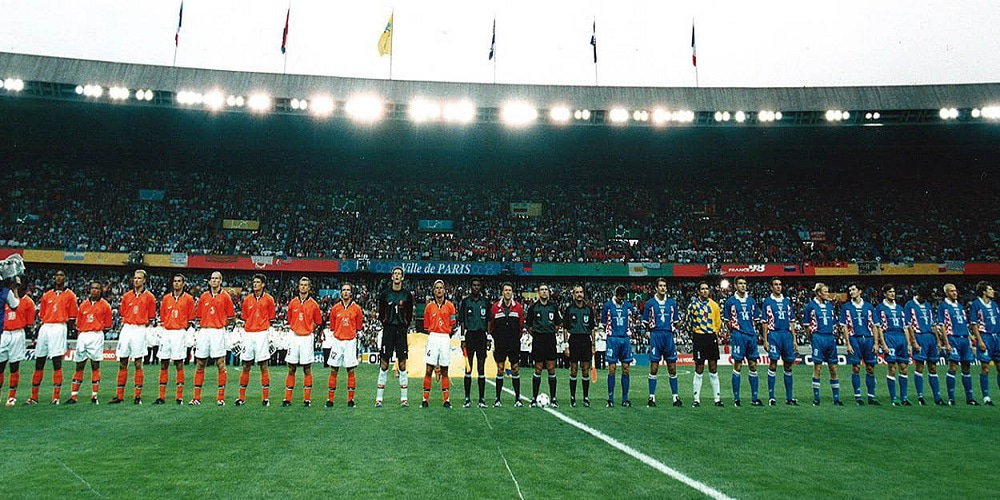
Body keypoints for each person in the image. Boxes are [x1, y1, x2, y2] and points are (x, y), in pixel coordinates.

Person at [110, 270, 156, 404]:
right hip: (127, 328)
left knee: (138, 362)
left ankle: (137, 396)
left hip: (139, 329)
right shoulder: (126, 296)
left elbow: (151, 317)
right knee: (122, 361)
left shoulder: (150, 297)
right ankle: (119, 396)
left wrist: (140, 322)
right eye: (135, 278)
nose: (136, 280)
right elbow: (123, 313)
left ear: (144, 280)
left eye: (139, 278)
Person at [32, 270, 77, 405]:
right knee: (39, 360)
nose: (58, 277)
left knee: (56, 361)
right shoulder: (47, 295)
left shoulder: (70, 295)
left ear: (65, 278)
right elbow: (42, 314)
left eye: (61, 275)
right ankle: (34, 397)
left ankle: (56, 397)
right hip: (46, 326)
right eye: (57, 275)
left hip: (59, 326)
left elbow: (72, 317)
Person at [191, 271, 236, 405]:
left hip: (218, 331)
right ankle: (196, 398)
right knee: (200, 363)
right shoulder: (204, 296)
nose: (214, 280)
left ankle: (220, 398)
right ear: (210, 281)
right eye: (212, 278)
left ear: (221, 281)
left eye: (217, 278)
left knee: (220, 363)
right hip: (204, 331)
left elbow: (231, 317)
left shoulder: (226, 297)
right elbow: (198, 316)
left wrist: (220, 324)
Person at [67, 281, 112, 404]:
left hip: (96, 335)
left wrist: (96, 329)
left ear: (101, 291)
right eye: (92, 288)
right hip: (83, 335)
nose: (94, 290)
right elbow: (78, 323)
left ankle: (94, 396)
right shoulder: (83, 305)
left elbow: (108, 326)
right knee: (79, 365)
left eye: (97, 288)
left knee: (95, 365)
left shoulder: (105, 306)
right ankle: (73, 396)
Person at [376, 267, 414, 408]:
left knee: (402, 364)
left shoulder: (407, 295)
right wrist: (386, 322)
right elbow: (381, 313)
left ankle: (404, 398)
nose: (397, 276)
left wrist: (404, 324)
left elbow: (409, 314)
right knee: (384, 364)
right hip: (388, 330)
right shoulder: (385, 294)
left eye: (399, 274)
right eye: (395, 274)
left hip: (401, 331)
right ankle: (379, 398)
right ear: (392, 277)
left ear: (402, 277)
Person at [722, 277, 763, 406]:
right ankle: (736, 399)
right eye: (740, 283)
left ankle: (754, 398)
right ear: (735, 286)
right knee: (738, 365)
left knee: (753, 365)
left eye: (744, 283)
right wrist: (736, 331)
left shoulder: (751, 301)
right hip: (738, 336)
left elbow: (755, 319)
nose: (743, 285)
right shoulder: (730, 302)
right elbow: (727, 321)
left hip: (751, 336)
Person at [284, 277, 323, 407]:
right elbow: (289, 319)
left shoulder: (314, 304)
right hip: (294, 337)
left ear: (309, 288)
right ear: (298, 287)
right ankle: (287, 399)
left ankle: (307, 400)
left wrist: (309, 328)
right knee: (291, 368)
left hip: (307, 338)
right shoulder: (293, 303)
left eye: (305, 285)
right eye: (301, 285)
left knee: (307, 368)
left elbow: (318, 321)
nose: (303, 287)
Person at [156, 274, 195, 405]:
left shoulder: (189, 299)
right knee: (164, 363)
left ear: (183, 283)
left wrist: (181, 328)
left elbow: (190, 319)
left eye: (179, 281)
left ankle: (179, 396)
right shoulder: (166, 298)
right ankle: (161, 396)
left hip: (179, 333)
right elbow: (162, 316)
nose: (176, 283)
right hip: (167, 332)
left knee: (179, 363)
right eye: (175, 281)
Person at [238, 274, 276, 407]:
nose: (255, 284)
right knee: (245, 365)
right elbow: (245, 318)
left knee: (263, 365)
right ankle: (241, 398)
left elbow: (271, 318)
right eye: (254, 282)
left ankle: (265, 398)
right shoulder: (247, 299)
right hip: (249, 334)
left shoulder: (269, 299)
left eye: (258, 282)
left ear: (263, 284)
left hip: (262, 334)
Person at [938, 283, 978, 405]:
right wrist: (946, 343)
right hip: (953, 338)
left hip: (964, 339)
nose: (955, 293)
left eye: (955, 290)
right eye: (951, 291)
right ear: (946, 293)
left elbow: (964, 324)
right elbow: (942, 326)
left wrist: (970, 339)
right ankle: (951, 398)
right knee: (953, 367)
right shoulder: (943, 306)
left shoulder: (960, 306)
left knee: (966, 367)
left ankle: (970, 398)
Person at [645, 277, 682, 407]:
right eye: (660, 285)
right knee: (654, 368)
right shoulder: (650, 303)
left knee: (672, 368)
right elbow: (645, 322)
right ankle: (651, 397)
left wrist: (680, 324)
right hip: (656, 335)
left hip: (668, 336)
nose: (663, 288)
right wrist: (648, 332)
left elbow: (676, 322)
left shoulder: (672, 303)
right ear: (656, 288)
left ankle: (675, 397)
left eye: (664, 286)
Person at [761, 278, 798, 406]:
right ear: (771, 287)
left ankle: (789, 398)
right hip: (774, 335)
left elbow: (791, 321)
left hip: (786, 335)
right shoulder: (768, 302)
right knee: (773, 364)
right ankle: (771, 397)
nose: (778, 287)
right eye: (775, 285)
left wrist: (794, 340)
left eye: (780, 284)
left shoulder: (787, 301)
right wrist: (765, 340)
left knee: (788, 365)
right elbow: (765, 322)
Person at [326, 282, 364, 408]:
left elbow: (358, 327)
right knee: (333, 369)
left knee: (350, 370)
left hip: (350, 342)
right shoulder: (335, 308)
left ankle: (350, 400)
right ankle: (330, 400)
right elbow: (332, 327)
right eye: (343, 290)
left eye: (348, 290)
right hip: (337, 341)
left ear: (351, 293)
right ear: (341, 292)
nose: (346, 292)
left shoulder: (357, 309)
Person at [904, 287, 944, 405]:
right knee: (919, 367)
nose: (924, 299)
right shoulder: (909, 305)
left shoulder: (927, 305)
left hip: (931, 337)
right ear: (918, 294)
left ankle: (937, 397)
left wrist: (938, 341)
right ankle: (920, 397)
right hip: (919, 337)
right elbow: (908, 325)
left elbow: (933, 324)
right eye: (922, 297)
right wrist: (914, 342)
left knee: (933, 367)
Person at [840, 283, 878, 405]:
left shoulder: (869, 307)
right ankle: (858, 397)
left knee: (870, 368)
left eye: (853, 289)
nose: (851, 292)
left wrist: (876, 343)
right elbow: (844, 327)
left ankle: (871, 397)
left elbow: (875, 326)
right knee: (856, 367)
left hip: (868, 339)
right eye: (850, 290)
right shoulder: (846, 307)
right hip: (854, 339)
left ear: (860, 291)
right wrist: (848, 344)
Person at [686, 282, 723, 407]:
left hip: (711, 337)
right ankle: (696, 399)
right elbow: (688, 322)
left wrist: (714, 333)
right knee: (699, 368)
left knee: (713, 368)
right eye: (702, 289)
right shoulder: (693, 306)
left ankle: (717, 399)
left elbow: (718, 322)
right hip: (699, 337)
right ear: (698, 291)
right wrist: (695, 334)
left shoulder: (714, 305)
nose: (705, 291)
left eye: (707, 288)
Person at [805, 283, 842, 406]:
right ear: (819, 293)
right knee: (818, 368)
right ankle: (816, 398)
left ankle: (836, 399)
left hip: (830, 338)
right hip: (818, 337)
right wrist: (812, 339)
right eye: (825, 292)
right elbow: (807, 326)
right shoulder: (810, 306)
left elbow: (834, 323)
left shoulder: (830, 306)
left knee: (833, 368)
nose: (827, 294)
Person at [422, 279, 457, 408]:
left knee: (445, 370)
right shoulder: (429, 307)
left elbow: (453, 324)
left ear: (444, 290)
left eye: (441, 288)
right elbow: (426, 326)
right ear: (433, 290)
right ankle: (425, 399)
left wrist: (446, 332)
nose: (439, 290)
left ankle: (446, 400)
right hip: (433, 337)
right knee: (428, 369)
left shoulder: (450, 306)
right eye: (436, 288)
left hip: (445, 338)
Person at [526, 283, 563, 408]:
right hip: (538, 339)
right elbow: (529, 325)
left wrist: (550, 331)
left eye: (546, 289)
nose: (544, 292)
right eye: (541, 290)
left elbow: (558, 323)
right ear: (538, 292)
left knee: (551, 369)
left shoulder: (553, 306)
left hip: (550, 339)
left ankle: (553, 398)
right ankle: (533, 398)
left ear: (548, 292)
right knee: (538, 369)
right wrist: (537, 334)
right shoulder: (533, 308)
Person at [489, 282, 524, 407]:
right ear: (502, 292)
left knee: (515, 369)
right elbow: (491, 327)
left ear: (512, 292)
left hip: (514, 343)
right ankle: (497, 399)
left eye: (509, 290)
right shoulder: (495, 308)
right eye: (506, 290)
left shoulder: (518, 307)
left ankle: (517, 398)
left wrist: (515, 338)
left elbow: (521, 326)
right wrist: (498, 338)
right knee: (500, 369)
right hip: (500, 343)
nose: (508, 292)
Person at [876, 284, 911, 406]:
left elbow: (905, 327)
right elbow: (879, 328)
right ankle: (894, 398)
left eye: (893, 291)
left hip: (901, 338)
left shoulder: (900, 308)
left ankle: (904, 397)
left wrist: (908, 344)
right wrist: (883, 343)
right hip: (889, 337)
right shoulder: (880, 308)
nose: (892, 294)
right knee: (892, 368)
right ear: (885, 294)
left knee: (904, 368)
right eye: (890, 292)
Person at [602, 285, 637, 407]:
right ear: (615, 295)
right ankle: (610, 398)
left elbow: (633, 317)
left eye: (623, 298)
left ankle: (625, 399)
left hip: (625, 339)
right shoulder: (607, 306)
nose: (621, 300)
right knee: (612, 368)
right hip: (613, 339)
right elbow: (603, 322)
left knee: (626, 368)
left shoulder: (628, 306)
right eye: (619, 298)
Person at [458, 277, 490, 408]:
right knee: (468, 367)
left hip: (481, 336)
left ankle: (482, 398)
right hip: (469, 336)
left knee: (481, 367)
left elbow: (488, 321)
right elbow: (462, 321)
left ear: (480, 287)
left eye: (478, 285)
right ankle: (467, 398)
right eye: (474, 285)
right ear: (471, 287)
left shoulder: (485, 302)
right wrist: (462, 339)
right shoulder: (465, 302)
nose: (476, 287)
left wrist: (489, 338)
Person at [563, 285, 596, 407]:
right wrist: (566, 345)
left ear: (583, 294)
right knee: (573, 370)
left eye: (581, 292)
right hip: (574, 340)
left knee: (585, 370)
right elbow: (565, 328)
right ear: (573, 295)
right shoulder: (569, 309)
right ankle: (572, 397)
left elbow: (592, 328)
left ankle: (585, 397)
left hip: (586, 340)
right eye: (577, 292)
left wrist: (593, 345)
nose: (579, 294)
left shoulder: (588, 309)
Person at [970, 281, 1000, 406]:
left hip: (997, 337)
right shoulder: (976, 304)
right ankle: (986, 397)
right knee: (985, 368)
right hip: (985, 337)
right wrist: (980, 340)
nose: (993, 291)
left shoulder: (995, 305)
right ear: (984, 291)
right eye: (990, 289)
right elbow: (974, 324)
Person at [2, 276, 27, 406]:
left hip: (17, 333)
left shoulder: (25, 302)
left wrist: (15, 290)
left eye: (17, 284)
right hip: (3, 333)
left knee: (14, 366)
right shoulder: (3, 295)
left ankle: (11, 397)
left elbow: (26, 317)